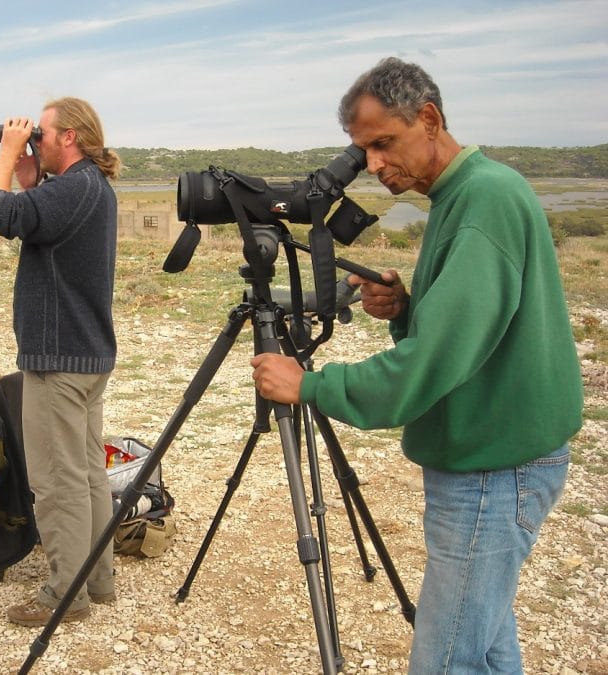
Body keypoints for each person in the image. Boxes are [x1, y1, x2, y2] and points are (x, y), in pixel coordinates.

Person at [250, 57, 583, 673]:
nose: (374, 166)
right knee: (484, 643)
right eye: (362, 151)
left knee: (447, 657)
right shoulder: (466, 193)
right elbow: (476, 332)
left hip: (494, 466)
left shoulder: (484, 202)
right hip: (494, 450)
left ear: (428, 119)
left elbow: (426, 367)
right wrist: (407, 308)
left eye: (383, 144)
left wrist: (310, 386)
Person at [0, 96, 120, 627]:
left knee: (57, 481)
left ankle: (65, 594)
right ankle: (97, 581)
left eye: (41, 132)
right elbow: (40, 222)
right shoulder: (89, 187)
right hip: (85, 353)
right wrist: (27, 174)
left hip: (60, 360)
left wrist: (6, 155)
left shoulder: (76, 186)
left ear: (70, 137)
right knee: (86, 476)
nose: (33, 137)